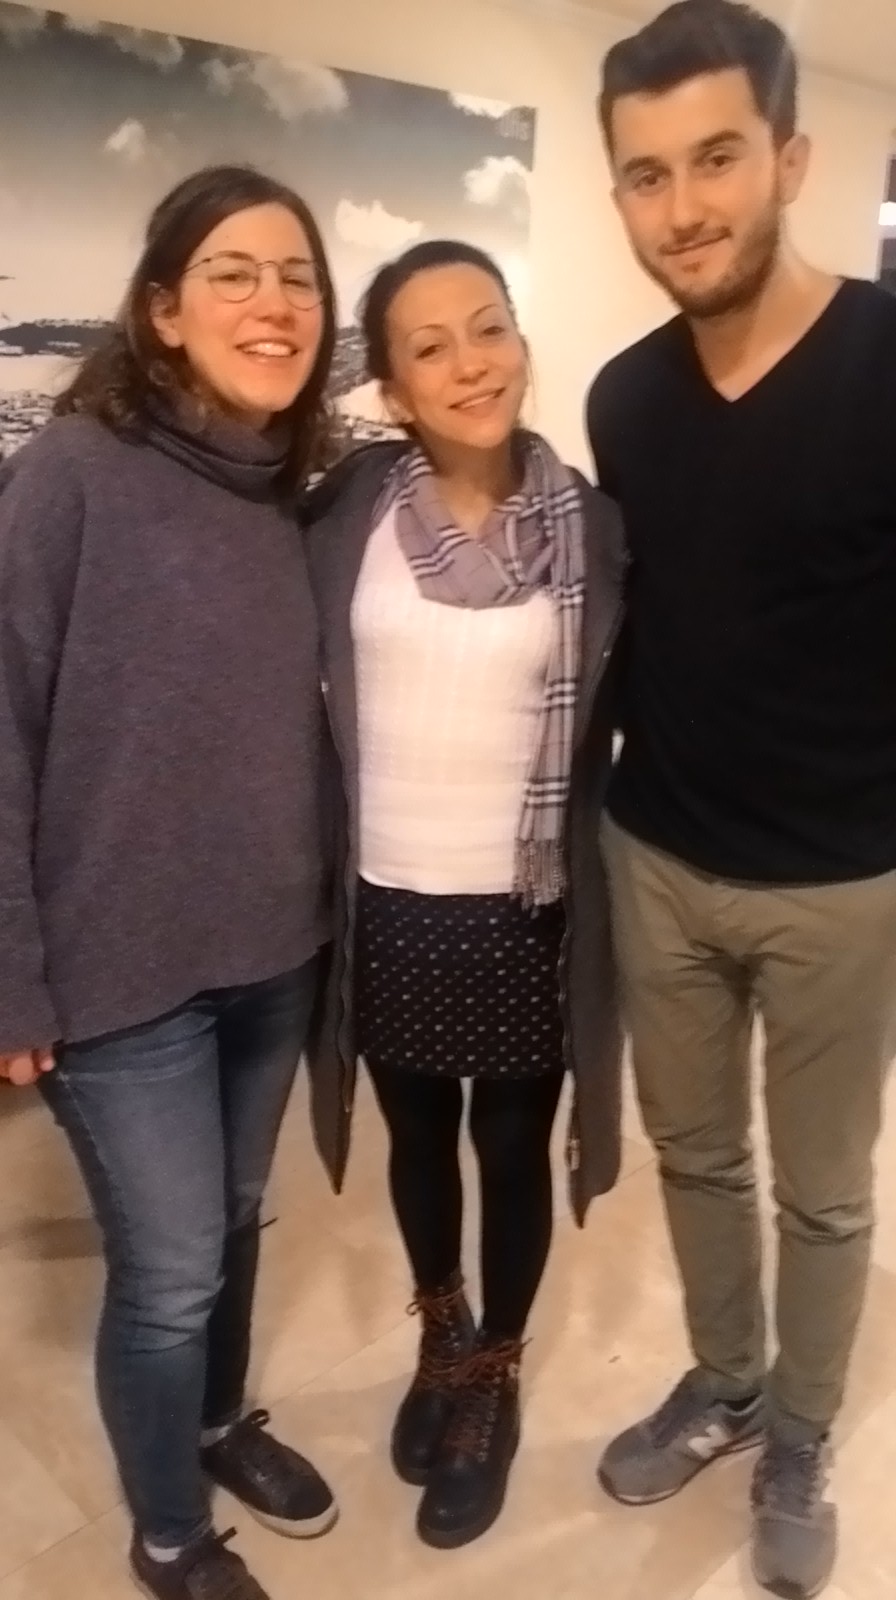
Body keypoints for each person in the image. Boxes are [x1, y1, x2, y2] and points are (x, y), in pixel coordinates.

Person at [587, 4, 896, 1597]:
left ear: (790, 157)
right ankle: (724, 1384)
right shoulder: (623, 400)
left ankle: (804, 1431)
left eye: (716, 158)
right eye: (647, 175)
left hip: (842, 878)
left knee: (826, 1194)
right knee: (695, 1155)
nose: (684, 206)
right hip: (659, 853)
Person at [0, 165, 341, 1600]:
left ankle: (214, 1422)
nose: (274, 302)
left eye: (298, 277)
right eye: (234, 272)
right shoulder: (73, 473)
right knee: (173, 1266)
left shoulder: (290, 495)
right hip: (120, 969)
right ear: (162, 310)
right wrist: (12, 975)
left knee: (238, 1218)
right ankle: (166, 1535)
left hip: (273, 952)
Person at [302, 239, 625, 1550]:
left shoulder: (592, 525)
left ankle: (492, 1372)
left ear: (520, 341)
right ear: (391, 385)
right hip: (388, 893)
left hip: (526, 902)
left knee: (511, 1147)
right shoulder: (346, 512)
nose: (469, 364)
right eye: (429, 347)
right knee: (419, 1138)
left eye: (488, 328)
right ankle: (441, 1334)